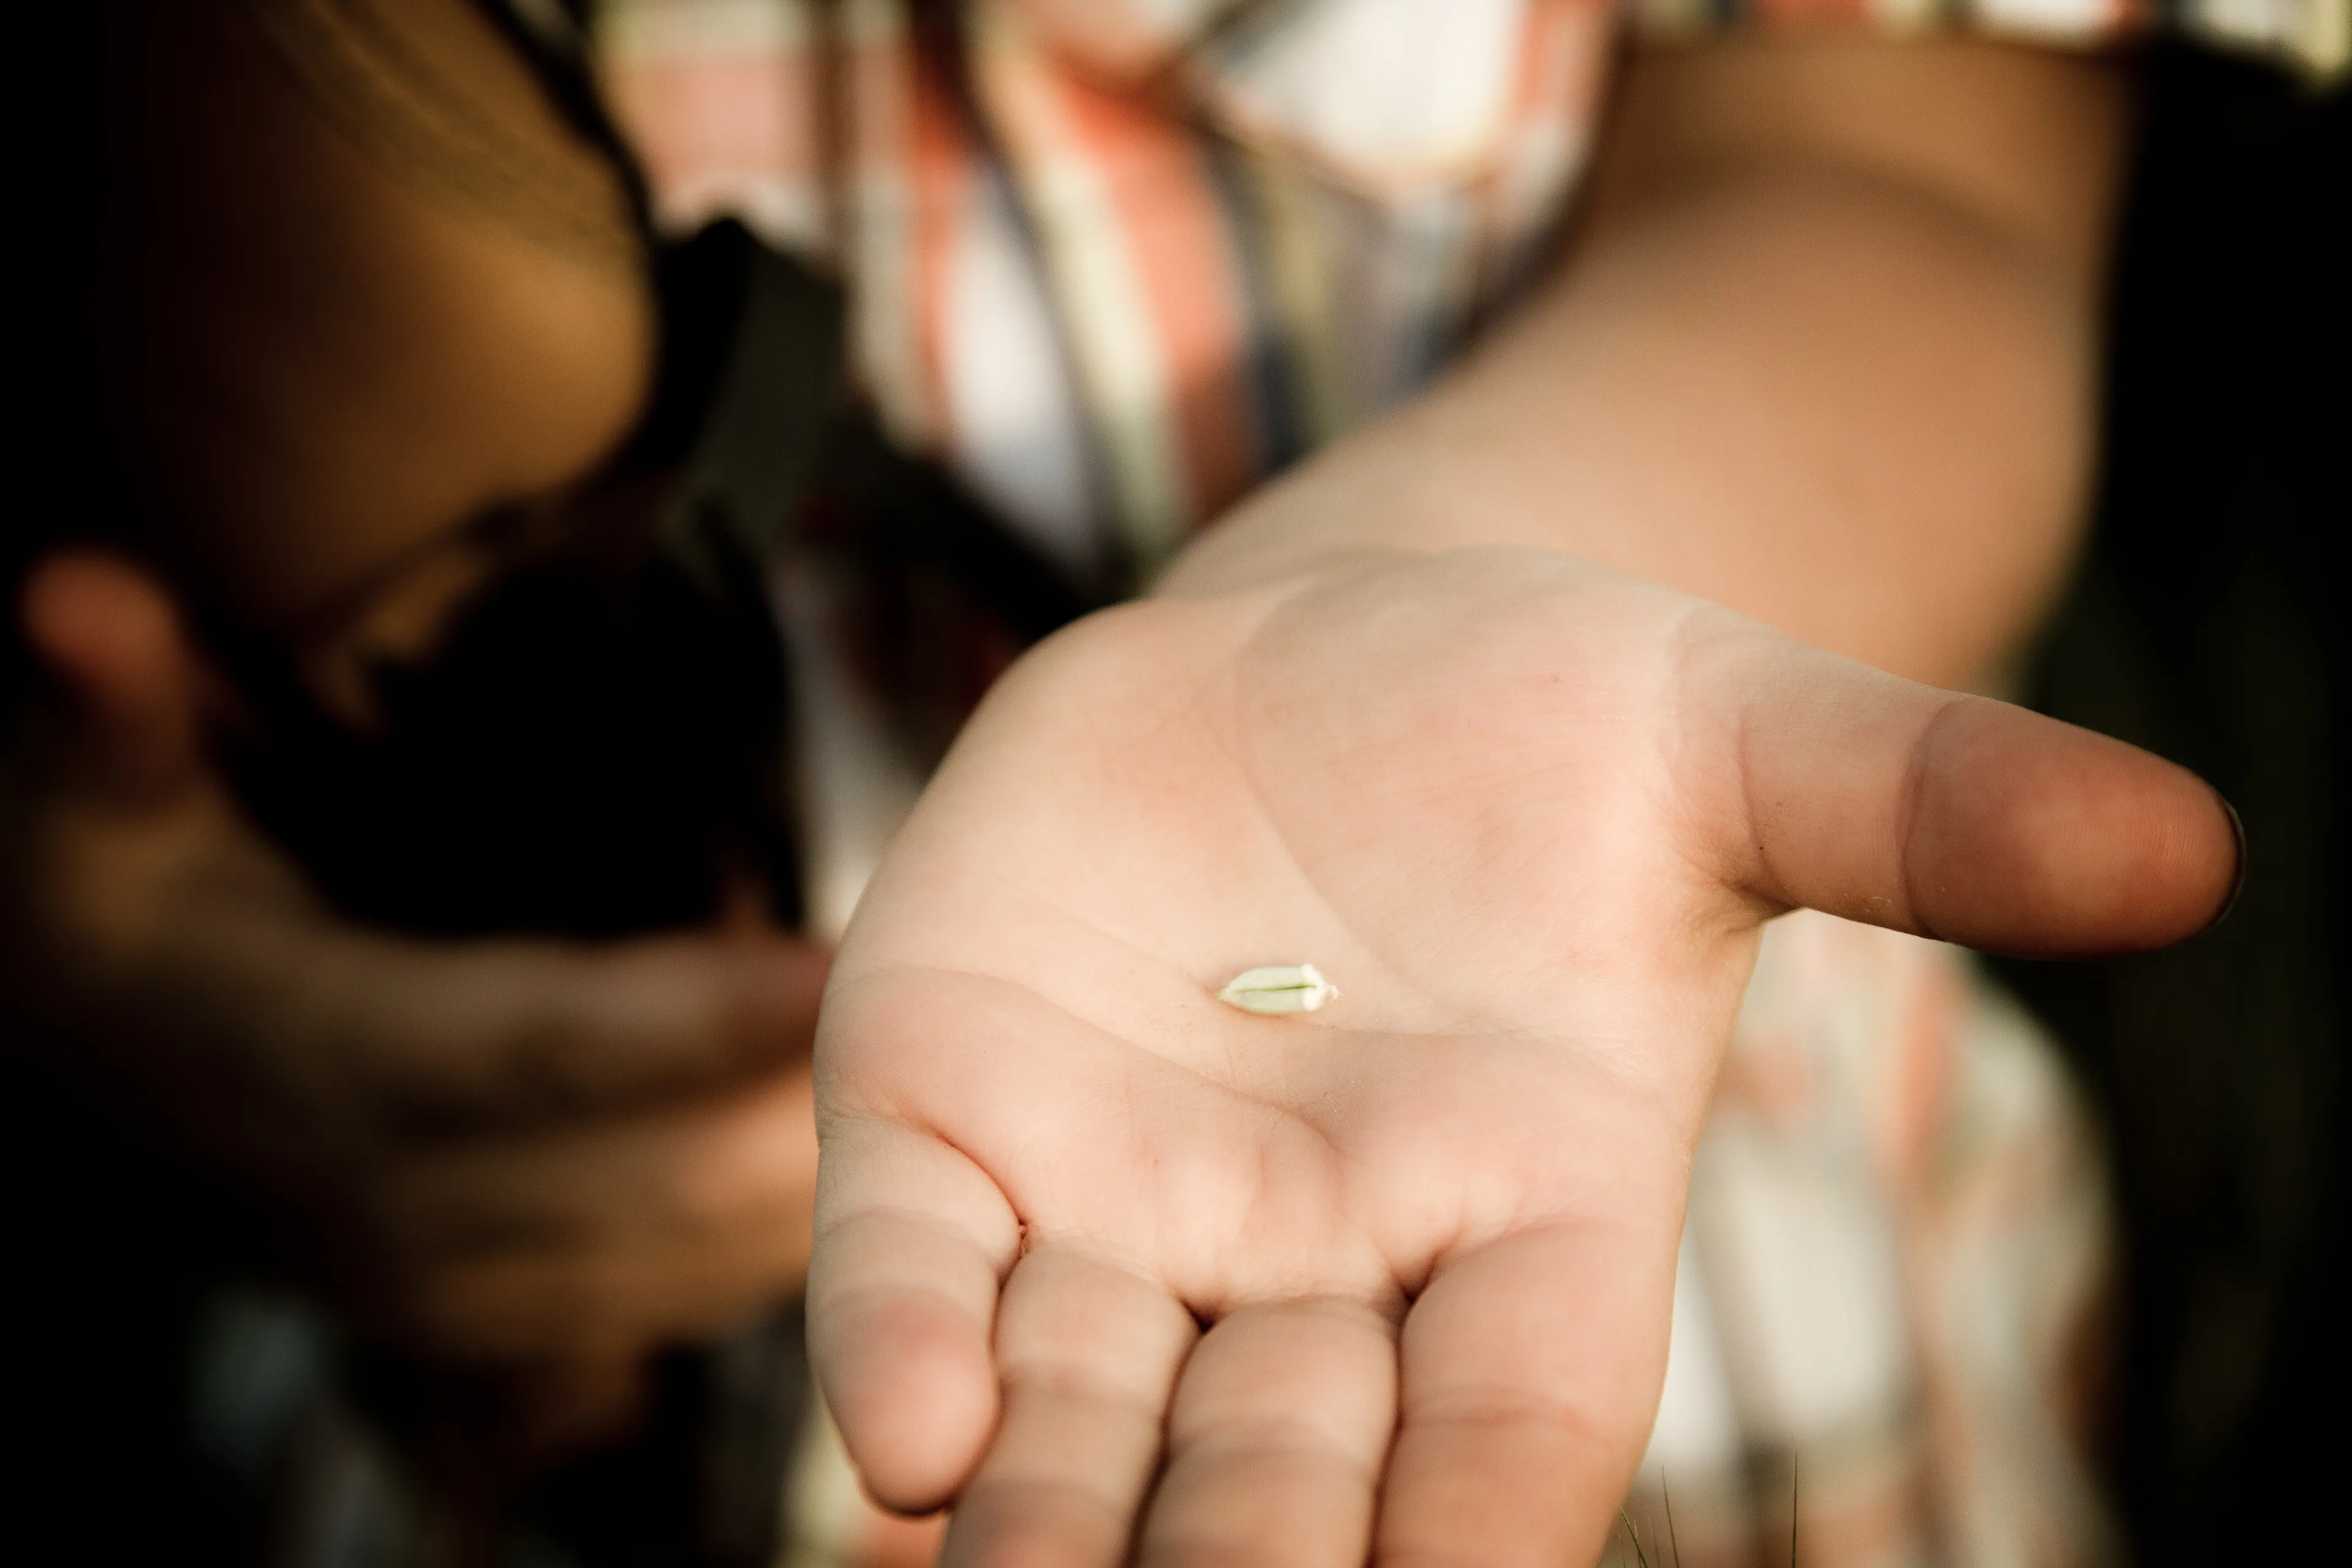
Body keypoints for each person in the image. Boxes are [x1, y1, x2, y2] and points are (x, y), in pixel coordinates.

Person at [4, 2, 2323, 1565]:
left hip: (1653, 1244)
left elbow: (1901, 186)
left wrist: (1431, 570)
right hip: (478, 1387)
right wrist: (83, 986)